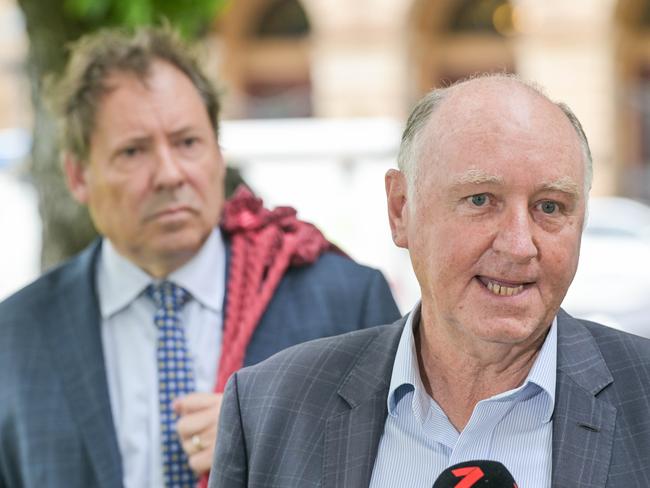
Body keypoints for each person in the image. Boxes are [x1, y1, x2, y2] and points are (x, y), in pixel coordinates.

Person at [0, 26, 401, 488]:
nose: (170, 174)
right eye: (133, 151)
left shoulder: (342, 303)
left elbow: (403, 465)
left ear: (216, 150)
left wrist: (260, 442)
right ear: (77, 175)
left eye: (188, 142)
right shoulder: (17, 336)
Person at [209, 74, 650, 488]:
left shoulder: (642, 399)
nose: (519, 245)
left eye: (550, 207)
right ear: (401, 210)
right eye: (481, 200)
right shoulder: (270, 408)